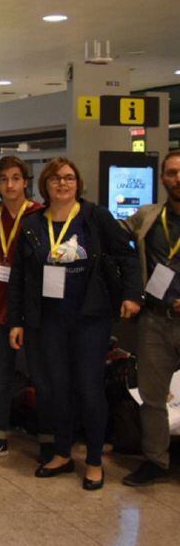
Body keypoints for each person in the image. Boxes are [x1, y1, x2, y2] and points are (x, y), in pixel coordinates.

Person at [8, 157, 141, 490]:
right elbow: (20, 278)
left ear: (78, 183)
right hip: (48, 320)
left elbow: (127, 255)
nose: (63, 184)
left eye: (69, 178)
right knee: (55, 390)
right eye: (55, 179)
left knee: (89, 388)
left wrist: (132, 294)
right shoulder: (33, 224)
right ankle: (63, 452)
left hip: (89, 318)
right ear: (45, 185)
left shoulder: (95, 218)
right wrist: (17, 321)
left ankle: (94, 460)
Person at [0, 156, 48, 463]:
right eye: (3, 180)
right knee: (0, 375)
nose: (10, 185)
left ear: (26, 182)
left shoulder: (40, 216)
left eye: (15, 178)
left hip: (34, 312)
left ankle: (49, 437)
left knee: (41, 376)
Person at [121, 151, 180, 487]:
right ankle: (156, 460)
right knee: (153, 397)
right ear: (162, 178)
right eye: (171, 173)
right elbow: (114, 233)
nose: (178, 179)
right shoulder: (148, 215)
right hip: (156, 319)